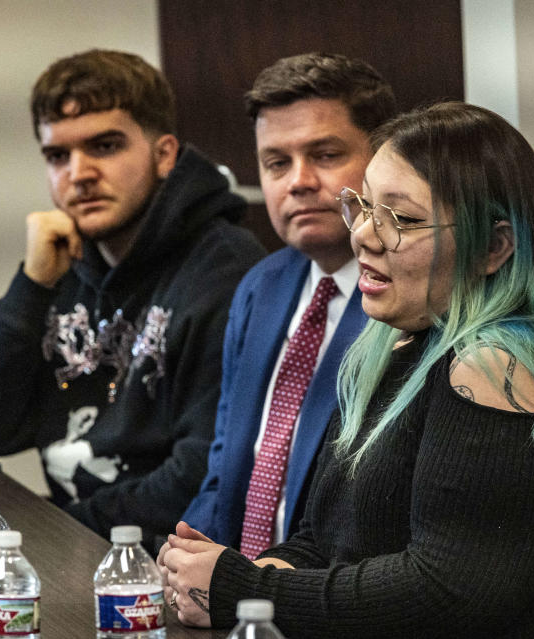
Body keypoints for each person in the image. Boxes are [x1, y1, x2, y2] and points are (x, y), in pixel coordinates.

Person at [158, 102, 534, 638]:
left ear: (494, 248)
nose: (363, 234)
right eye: (362, 206)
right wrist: (248, 575)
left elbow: (445, 596)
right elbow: (325, 537)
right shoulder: (395, 344)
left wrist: (245, 589)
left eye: (400, 220)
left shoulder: (503, 365)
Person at [0, 49, 265, 551]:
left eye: (105, 146)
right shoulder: (60, 266)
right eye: (57, 156)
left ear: (165, 154)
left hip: (165, 566)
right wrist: (30, 287)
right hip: (82, 549)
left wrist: (57, 529)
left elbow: (203, 473)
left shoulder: (226, 269)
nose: (78, 173)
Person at [180, 53, 396, 554]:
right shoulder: (262, 284)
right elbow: (225, 470)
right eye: (277, 163)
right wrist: (184, 558)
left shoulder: (409, 302)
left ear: (385, 158)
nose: (297, 181)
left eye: (324, 155)